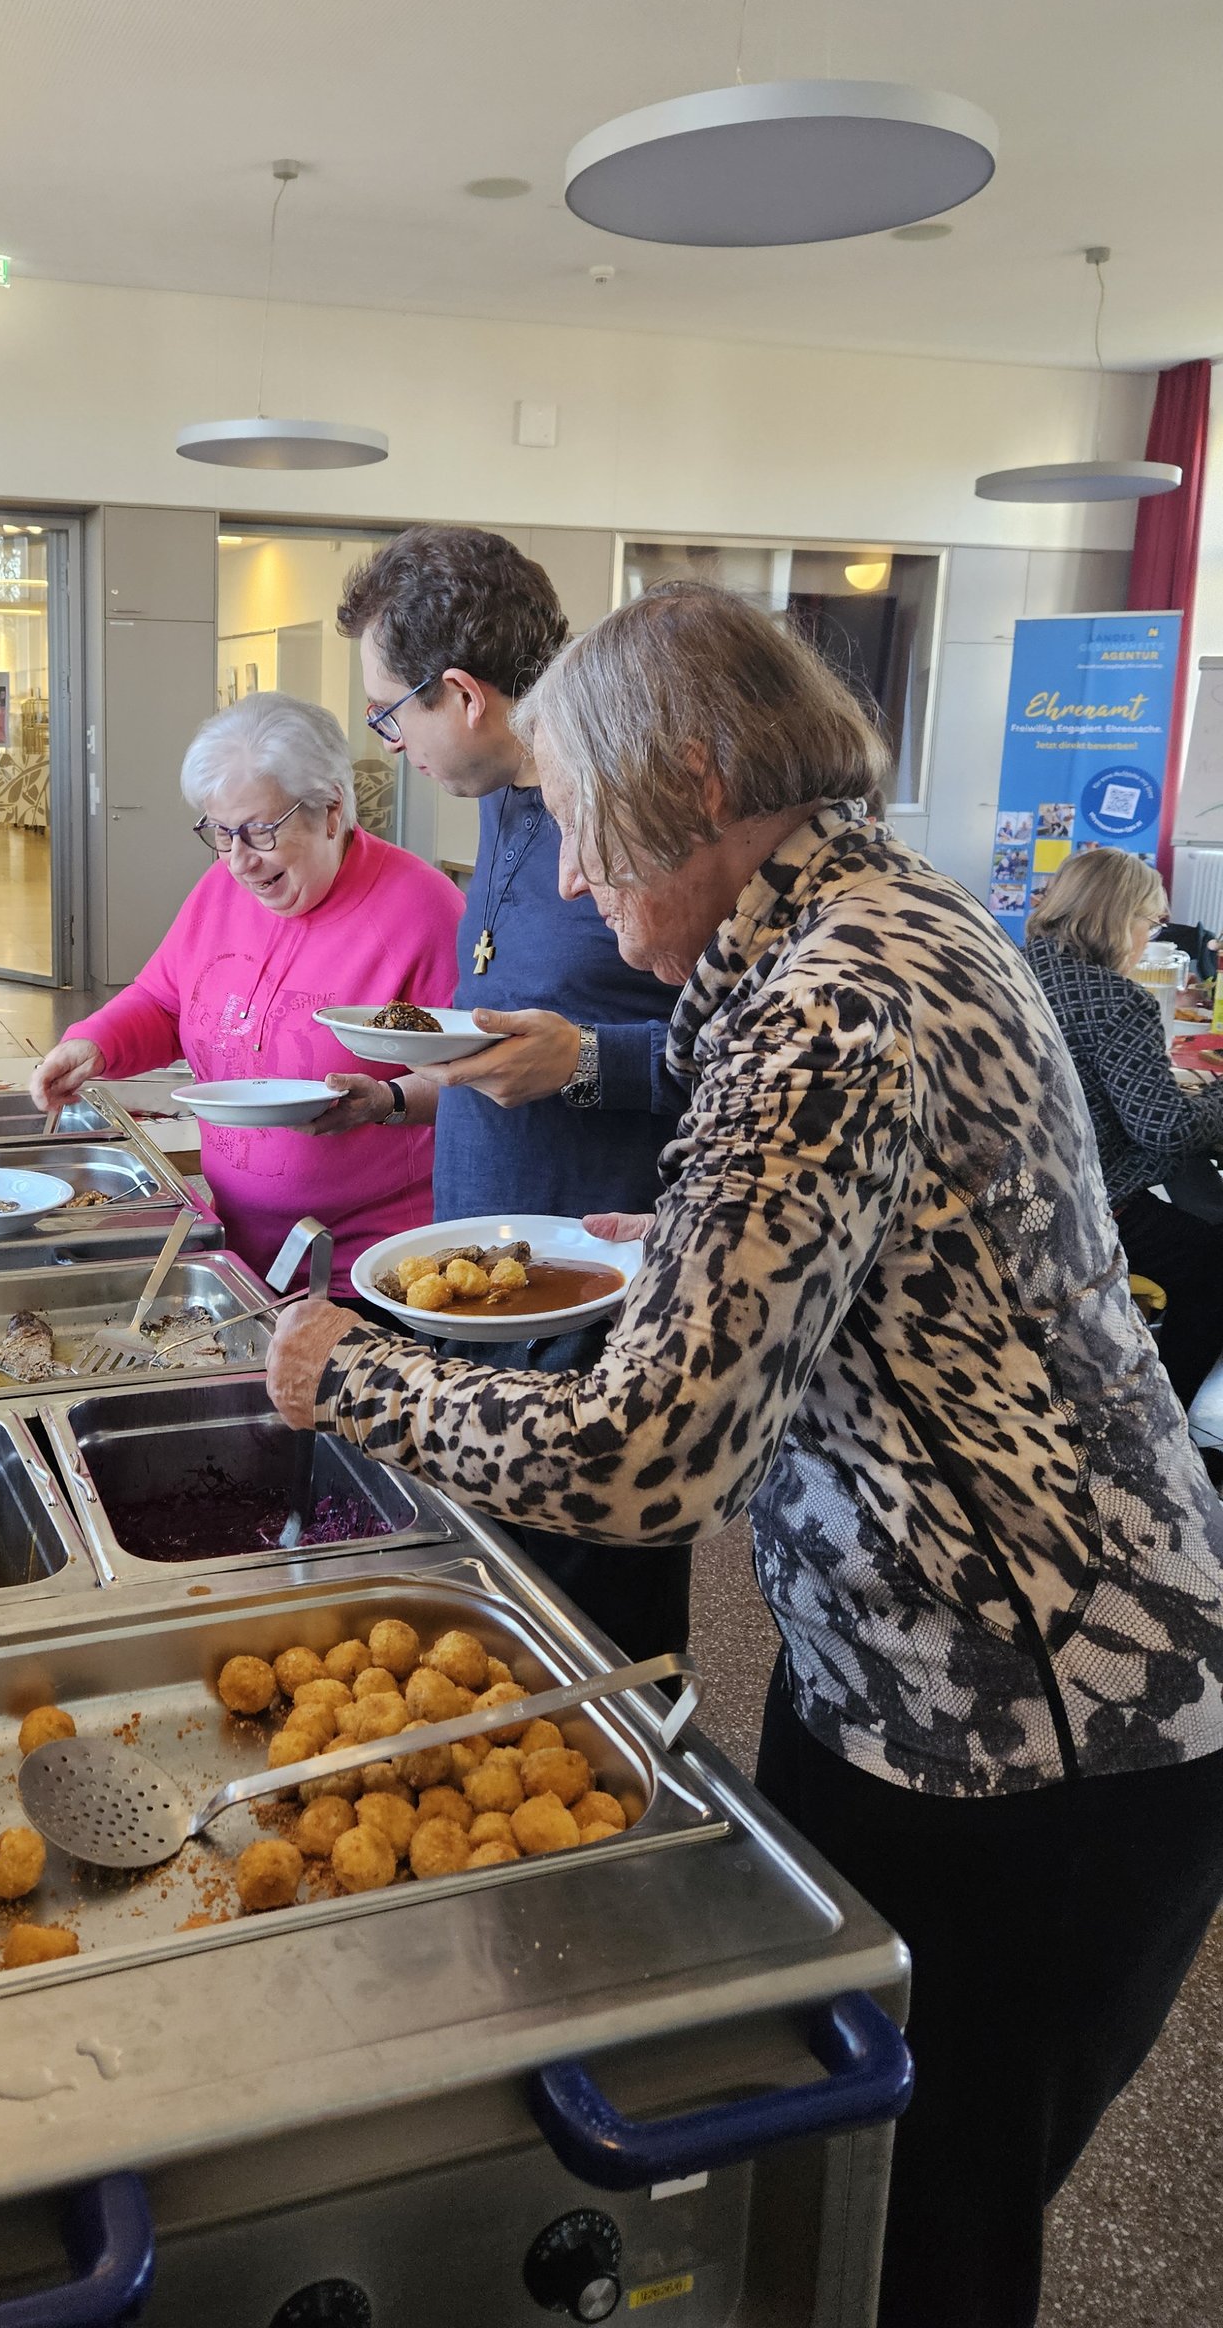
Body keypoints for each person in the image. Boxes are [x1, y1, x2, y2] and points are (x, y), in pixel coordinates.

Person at [265, 583, 1223, 2328]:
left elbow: (650, 1464)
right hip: (935, 1665)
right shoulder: (871, 914)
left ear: (698, 783)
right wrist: (697, 1250)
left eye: (583, 827)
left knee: (910, 2235)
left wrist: (358, 1377)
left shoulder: (829, 1003)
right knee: (831, 2192)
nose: (569, 880)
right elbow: (905, 1259)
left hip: (1038, 1724)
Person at [315, 524, 692, 1661]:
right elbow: (511, 1044)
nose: (392, 744)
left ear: (466, 695)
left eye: (391, 714)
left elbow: (747, 1054)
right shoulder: (497, 805)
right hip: (477, 1295)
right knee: (488, 1628)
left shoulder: (640, 819)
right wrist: (396, 1099)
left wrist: (585, 1060)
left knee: (594, 1648)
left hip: (592, 1313)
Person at [31, 691, 461, 1280]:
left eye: (260, 831)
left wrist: (387, 1101)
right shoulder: (220, 890)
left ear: (331, 810)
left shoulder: (422, 910)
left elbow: (475, 1080)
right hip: (235, 1242)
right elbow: (164, 1000)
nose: (238, 861)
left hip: (372, 1265)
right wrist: (95, 1043)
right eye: (220, 832)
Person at [1025, 845, 1223, 1408]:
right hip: (1086, 1204)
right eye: (1151, 922)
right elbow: (1164, 1129)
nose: (1149, 937)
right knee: (1216, 1266)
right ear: (1118, 917)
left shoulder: (1023, 966)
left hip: (1025, 1184)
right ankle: (1163, 1422)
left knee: (1196, 1201)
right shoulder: (1114, 999)